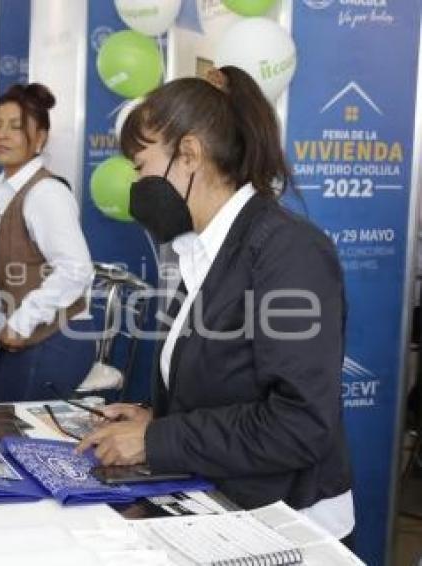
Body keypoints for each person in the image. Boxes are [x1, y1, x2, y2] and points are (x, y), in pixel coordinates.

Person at [76, 66, 354, 545]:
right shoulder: (198, 249)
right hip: (216, 505)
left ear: (189, 155)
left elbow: (299, 423)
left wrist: (158, 439)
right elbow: (224, 386)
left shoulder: (288, 251)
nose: (136, 183)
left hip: (286, 525)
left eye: (141, 166)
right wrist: (154, 419)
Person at [0, 83, 96, 402]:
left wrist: (24, 321)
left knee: (12, 438)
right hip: (6, 339)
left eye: (16, 127)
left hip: (52, 339)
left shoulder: (45, 193)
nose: (1, 135)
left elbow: (76, 270)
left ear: (40, 139)